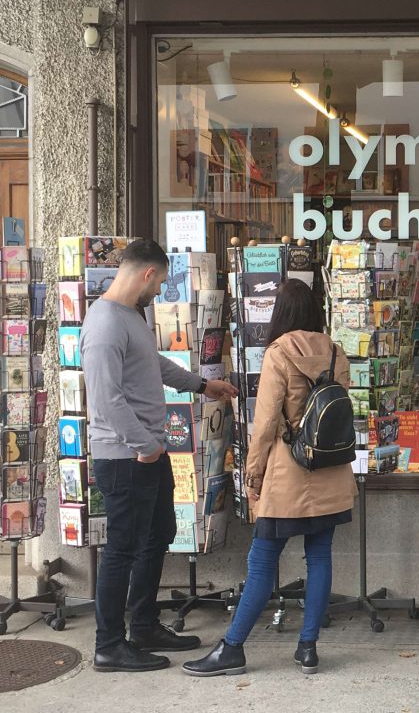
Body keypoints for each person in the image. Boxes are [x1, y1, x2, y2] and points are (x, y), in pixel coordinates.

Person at [183, 279, 357, 677]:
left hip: (287, 476)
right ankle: (308, 648)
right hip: (330, 471)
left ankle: (232, 648)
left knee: (261, 562)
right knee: (320, 557)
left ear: (281, 314)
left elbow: (264, 425)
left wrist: (253, 476)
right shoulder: (335, 352)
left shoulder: (279, 353)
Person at [80, 239, 237, 673]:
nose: (160, 290)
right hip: (127, 456)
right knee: (122, 549)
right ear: (147, 273)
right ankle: (109, 645)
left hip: (148, 451)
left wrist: (202, 385)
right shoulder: (105, 324)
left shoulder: (131, 315)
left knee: (159, 533)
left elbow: (155, 365)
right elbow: (106, 400)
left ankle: (144, 626)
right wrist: (145, 447)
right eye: (161, 282)